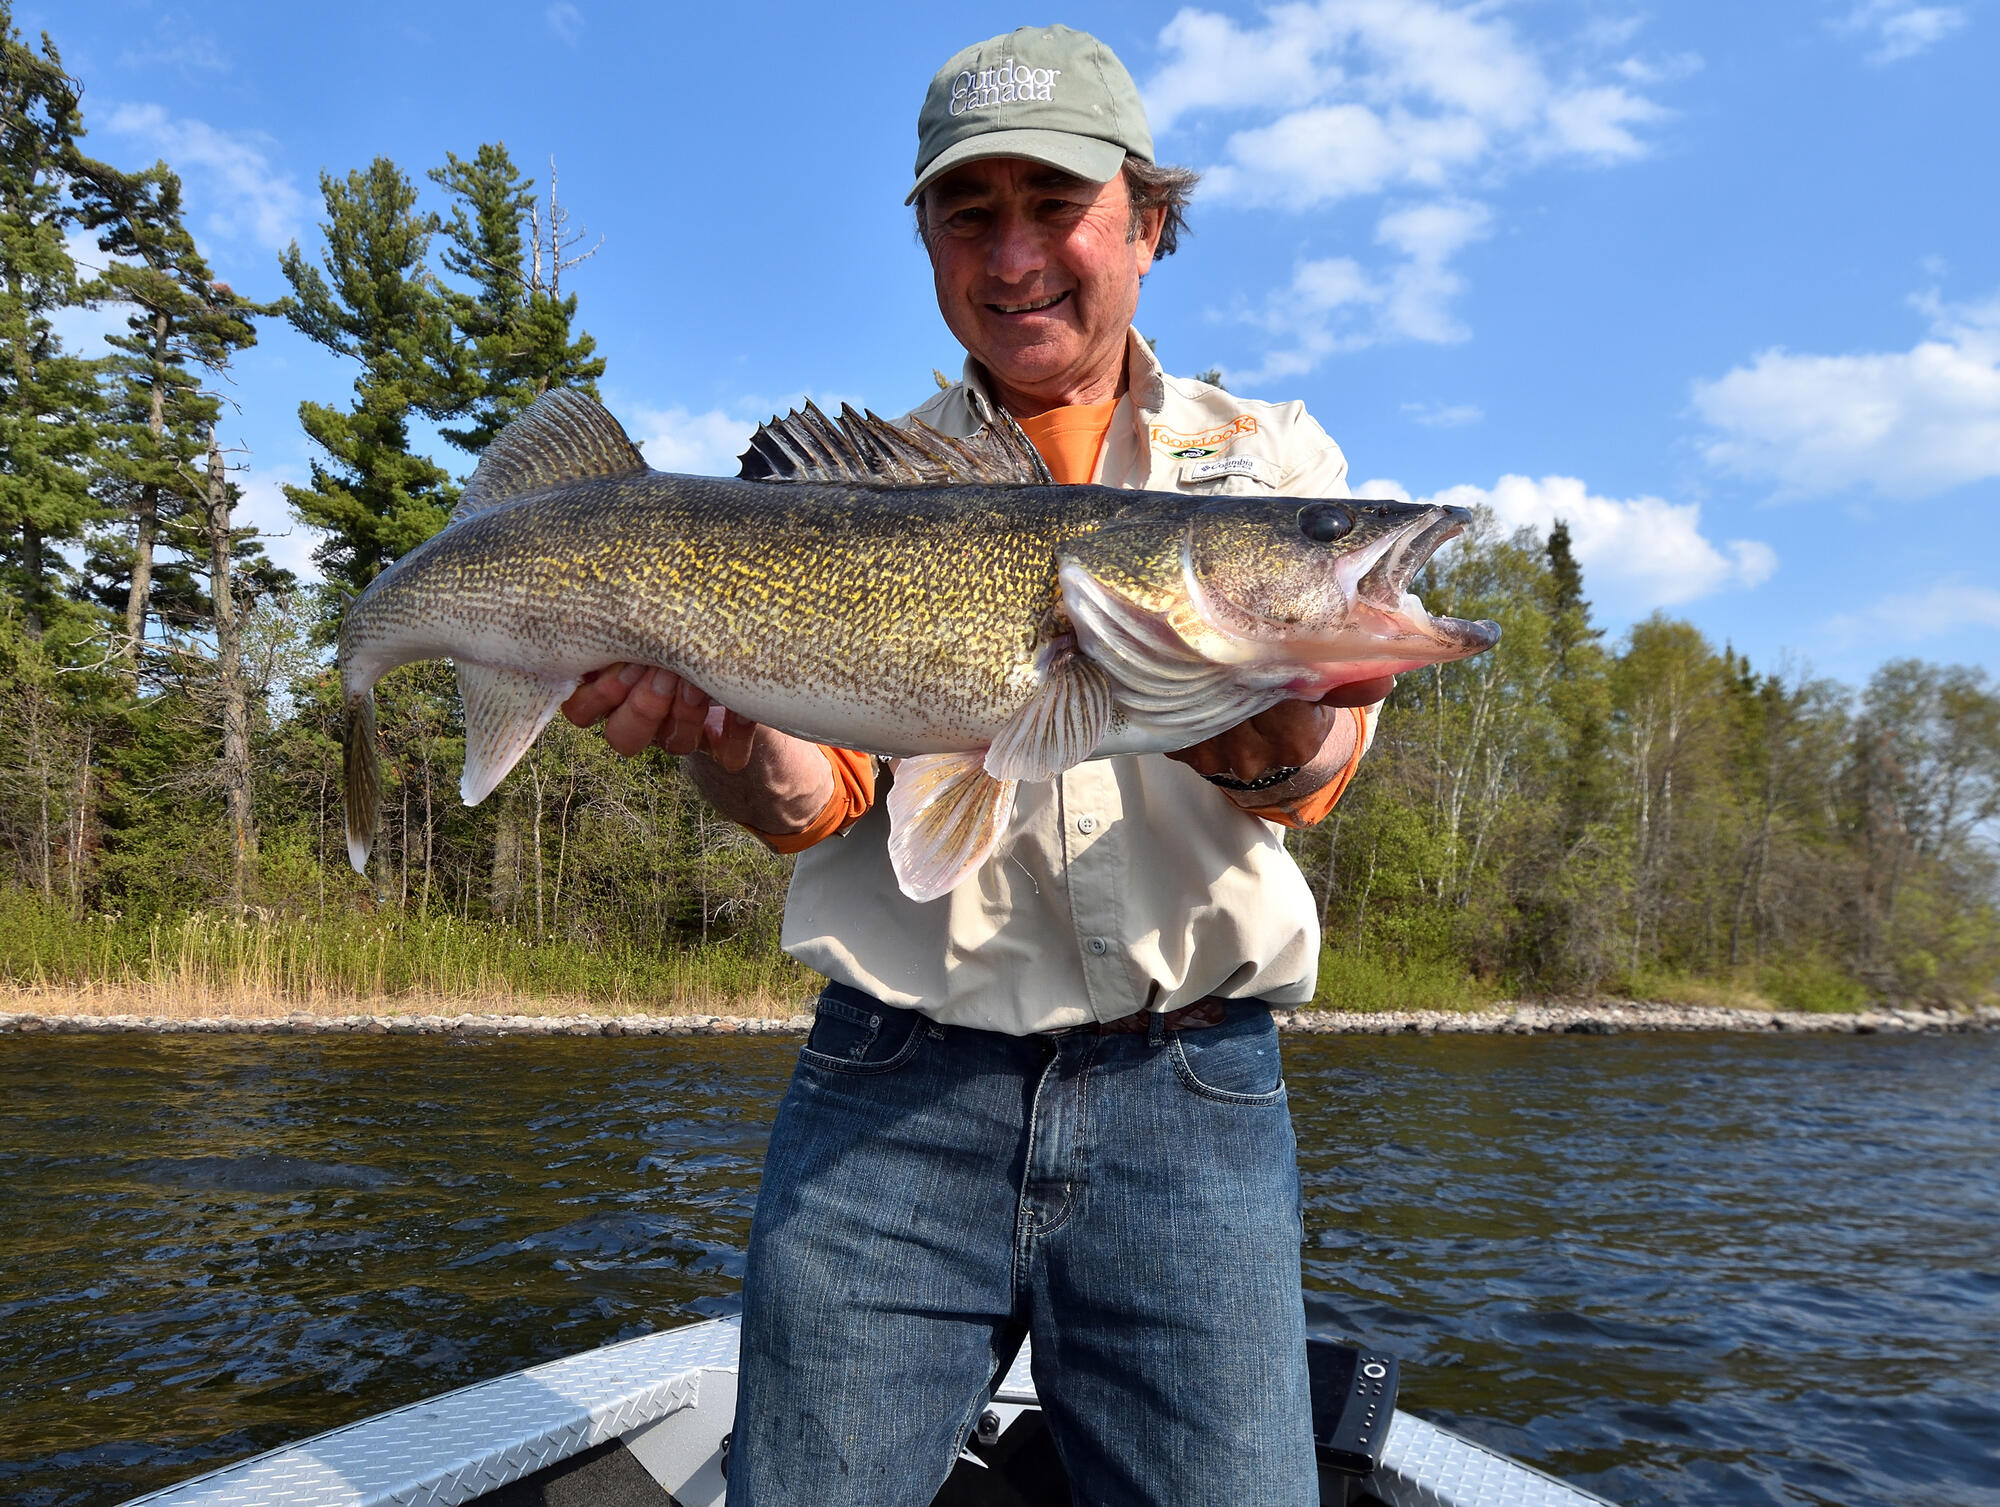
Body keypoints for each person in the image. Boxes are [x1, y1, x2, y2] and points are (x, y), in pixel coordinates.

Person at [561, 25, 1392, 1506]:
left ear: (1144, 221)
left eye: (1053, 205)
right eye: (969, 211)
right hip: (889, 1087)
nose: (1013, 255)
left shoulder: (1271, 465)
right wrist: (727, 738)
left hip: (1187, 1097)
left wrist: (1189, 653)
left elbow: (1306, 775)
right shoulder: (864, 486)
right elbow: (819, 802)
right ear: (930, 240)